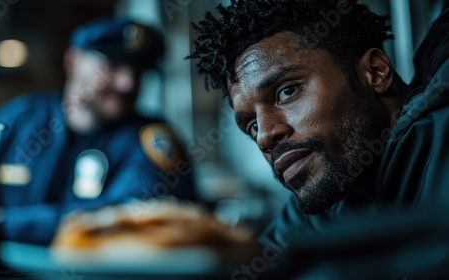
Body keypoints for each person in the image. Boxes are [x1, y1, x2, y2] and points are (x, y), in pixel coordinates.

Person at [189, 0, 449, 250]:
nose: (265, 136)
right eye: (252, 125)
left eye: (287, 91)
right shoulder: (328, 195)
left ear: (376, 71)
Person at [0, 17, 196, 245]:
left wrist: (6, 224)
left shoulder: (152, 139)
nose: (128, 84)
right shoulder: (13, 121)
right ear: (73, 62)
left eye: (138, 72)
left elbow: (134, 218)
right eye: (112, 66)